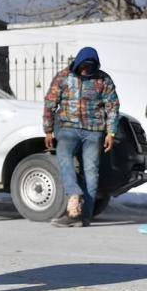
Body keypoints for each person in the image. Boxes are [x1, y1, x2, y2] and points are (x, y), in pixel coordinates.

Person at [44, 47, 119, 227]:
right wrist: (48, 130)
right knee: (64, 159)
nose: (86, 70)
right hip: (68, 129)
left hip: (94, 132)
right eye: (84, 66)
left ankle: (84, 217)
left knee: (91, 172)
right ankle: (74, 197)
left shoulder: (103, 79)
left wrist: (111, 132)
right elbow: (50, 103)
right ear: (77, 63)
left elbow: (112, 107)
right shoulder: (63, 77)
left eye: (90, 67)